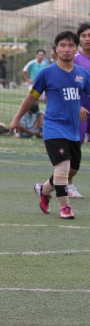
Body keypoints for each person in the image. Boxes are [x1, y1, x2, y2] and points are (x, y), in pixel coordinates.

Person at [9, 31, 90, 220]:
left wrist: (80, 107)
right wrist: (16, 119)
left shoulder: (83, 74)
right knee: (62, 168)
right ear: (56, 49)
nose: (66, 49)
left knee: (72, 170)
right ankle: (65, 208)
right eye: (62, 45)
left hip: (73, 130)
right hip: (53, 128)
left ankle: (44, 190)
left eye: (71, 45)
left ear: (76, 49)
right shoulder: (47, 73)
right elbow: (31, 97)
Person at [68, 22, 90, 199]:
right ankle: (68, 184)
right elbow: (66, 86)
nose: (87, 39)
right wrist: (78, 105)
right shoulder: (74, 60)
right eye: (84, 36)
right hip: (79, 112)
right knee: (75, 147)